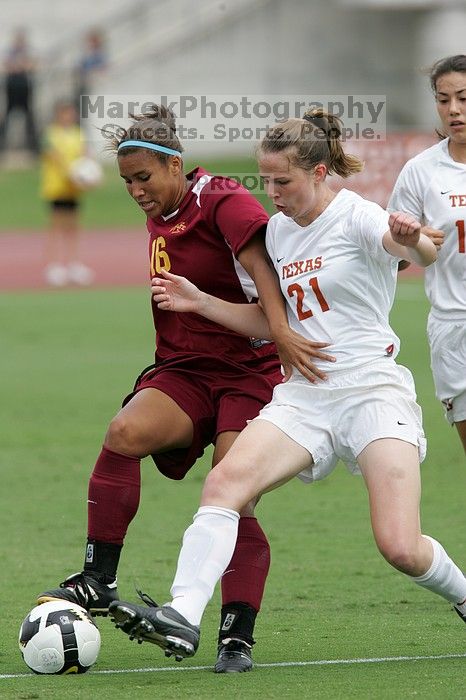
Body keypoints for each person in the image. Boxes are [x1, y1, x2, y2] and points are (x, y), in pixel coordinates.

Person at [107, 109, 466, 662]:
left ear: (320, 172)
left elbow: (421, 252)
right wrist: (199, 301)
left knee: (400, 547)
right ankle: (181, 614)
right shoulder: (277, 233)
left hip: (372, 391)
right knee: (225, 485)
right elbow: (269, 320)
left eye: (283, 181)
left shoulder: (356, 216)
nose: (271, 193)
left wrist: (412, 239)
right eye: (265, 180)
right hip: (304, 397)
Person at [36, 105, 332, 672]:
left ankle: (235, 636)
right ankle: (99, 578)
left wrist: (284, 336)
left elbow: (265, 273)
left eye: (144, 178)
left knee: (233, 491)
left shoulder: (224, 200)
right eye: (126, 182)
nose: (135, 191)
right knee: (124, 432)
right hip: (186, 370)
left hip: (250, 373)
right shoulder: (162, 209)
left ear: (176, 165)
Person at [388, 54, 466, 454]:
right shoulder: (421, 171)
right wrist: (411, 240)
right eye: (443, 99)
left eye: (464, 98)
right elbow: (396, 257)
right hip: (453, 328)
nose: (454, 109)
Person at [40, 100, 94, 286]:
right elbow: (54, 157)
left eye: (71, 113)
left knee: (73, 226)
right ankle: (54, 265)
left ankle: (73, 265)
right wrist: (73, 173)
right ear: (58, 114)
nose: (69, 116)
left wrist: (89, 174)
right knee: (56, 225)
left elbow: (85, 155)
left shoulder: (78, 133)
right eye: (66, 113)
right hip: (57, 187)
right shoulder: (51, 134)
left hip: (74, 188)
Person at [0, 28, 40, 156]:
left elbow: (32, 65)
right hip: (12, 89)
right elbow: (7, 66)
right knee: (7, 117)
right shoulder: (10, 52)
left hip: (25, 89)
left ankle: (34, 147)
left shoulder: (28, 52)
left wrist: (21, 66)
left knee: (29, 119)